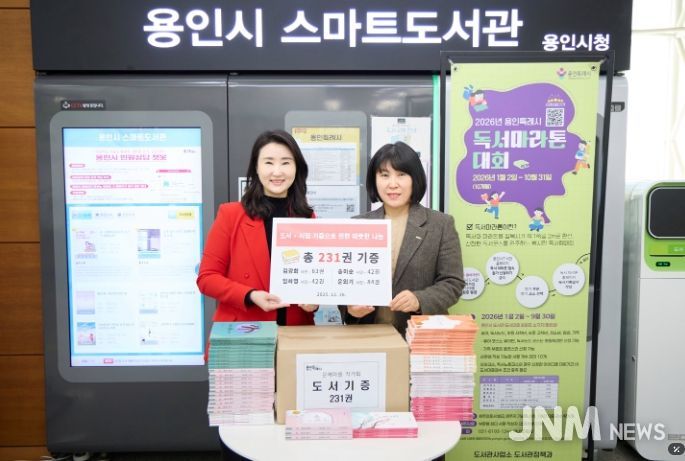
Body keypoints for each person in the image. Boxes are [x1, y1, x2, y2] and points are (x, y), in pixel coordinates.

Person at [197, 129, 317, 461]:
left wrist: (314, 300)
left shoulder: (308, 217)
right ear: (256, 167)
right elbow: (206, 278)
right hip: (245, 340)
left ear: (297, 168)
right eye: (269, 162)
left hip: (295, 340)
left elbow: (315, 280)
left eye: (286, 162)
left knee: (293, 435)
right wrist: (250, 294)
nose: (277, 171)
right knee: (244, 437)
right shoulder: (231, 215)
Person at [341, 141, 465, 338]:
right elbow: (343, 281)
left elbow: (453, 282)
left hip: (420, 337)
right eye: (384, 175)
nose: (393, 184)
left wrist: (419, 299)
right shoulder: (358, 225)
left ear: (415, 178)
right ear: (374, 180)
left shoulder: (440, 225)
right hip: (366, 336)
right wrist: (349, 308)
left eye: (401, 174)